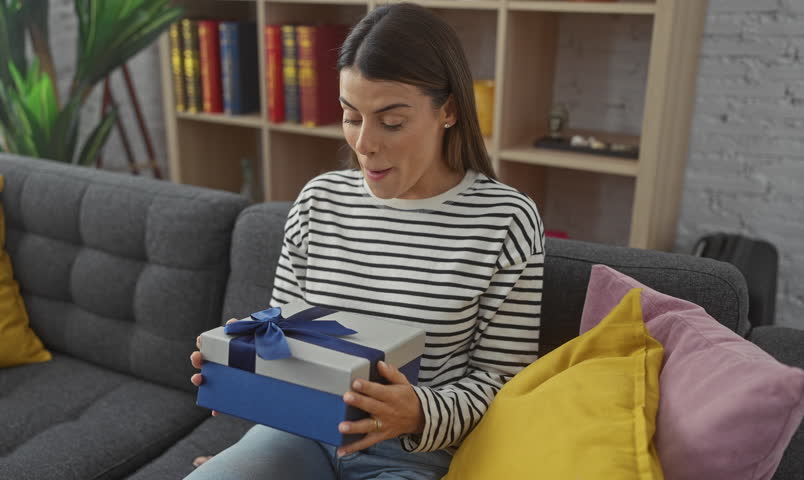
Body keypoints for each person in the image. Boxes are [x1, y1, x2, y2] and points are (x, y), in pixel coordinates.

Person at [186, 3, 544, 478]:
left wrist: (416, 411)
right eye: (351, 117)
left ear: (449, 110)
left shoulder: (505, 221)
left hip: (411, 453)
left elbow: (503, 384)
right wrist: (241, 368)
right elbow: (285, 333)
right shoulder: (319, 201)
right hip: (299, 435)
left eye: (391, 122)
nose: (364, 144)